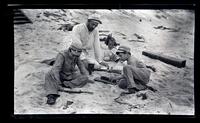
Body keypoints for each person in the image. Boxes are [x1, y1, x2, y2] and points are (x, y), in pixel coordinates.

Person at [44, 38, 90, 105]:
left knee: (85, 78)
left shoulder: (76, 56)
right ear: (70, 50)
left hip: (69, 76)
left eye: (77, 55)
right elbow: (56, 70)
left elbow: (81, 67)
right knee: (49, 75)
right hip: (59, 75)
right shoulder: (62, 55)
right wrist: (58, 82)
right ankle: (51, 96)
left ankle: (66, 84)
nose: (75, 56)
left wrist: (86, 76)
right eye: (74, 55)